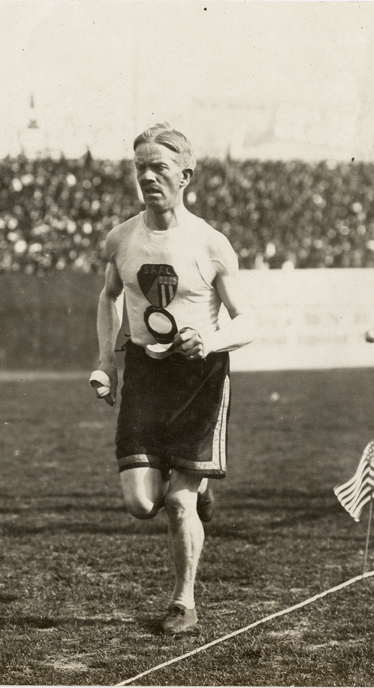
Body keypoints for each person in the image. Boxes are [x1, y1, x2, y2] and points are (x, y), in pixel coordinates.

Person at [91, 123, 257, 634]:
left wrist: (209, 339)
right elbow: (109, 296)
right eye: (139, 166)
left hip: (199, 376)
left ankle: (183, 601)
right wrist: (106, 360)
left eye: (158, 166)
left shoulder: (209, 243)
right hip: (144, 373)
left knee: (178, 500)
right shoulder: (121, 238)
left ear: (185, 175)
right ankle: (201, 488)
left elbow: (249, 320)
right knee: (142, 503)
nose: (147, 176)